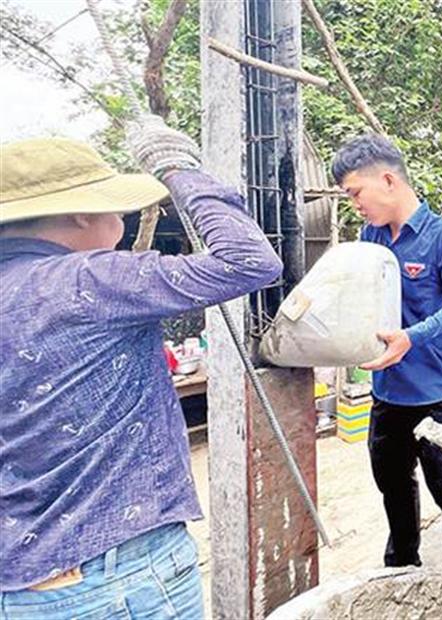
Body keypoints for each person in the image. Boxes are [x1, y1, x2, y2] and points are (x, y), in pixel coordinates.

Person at [0, 118, 283, 618]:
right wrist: (177, 168)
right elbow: (249, 261)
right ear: (83, 213)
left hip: (20, 586)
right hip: (120, 575)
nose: (123, 219)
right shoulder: (91, 279)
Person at [332, 134, 442, 567]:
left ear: (387, 180)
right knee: (393, 485)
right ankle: (401, 569)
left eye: (356, 193)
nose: (355, 205)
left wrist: (412, 337)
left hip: (438, 393)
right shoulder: (371, 236)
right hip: (388, 391)